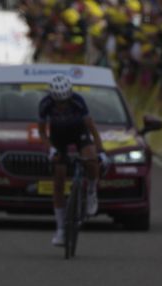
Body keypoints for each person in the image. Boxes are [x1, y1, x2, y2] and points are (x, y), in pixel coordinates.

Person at [37, 74, 107, 247]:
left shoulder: (78, 101)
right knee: (59, 180)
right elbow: (41, 132)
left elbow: (92, 127)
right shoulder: (45, 104)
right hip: (58, 137)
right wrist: (51, 149)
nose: (61, 106)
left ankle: (91, 191)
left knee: (90, 158)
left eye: (65, 102)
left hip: (79, 133)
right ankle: (60, 229)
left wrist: (100, 150)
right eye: (58, 103)